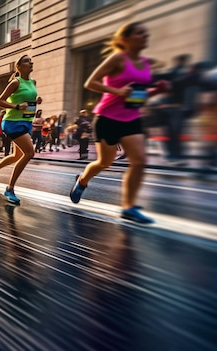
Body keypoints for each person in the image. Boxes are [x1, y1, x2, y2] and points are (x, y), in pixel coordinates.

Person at [70, 22, 156, 224]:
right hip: (108, 117)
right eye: (139, 33)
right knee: (105, 162)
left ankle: (129, 207)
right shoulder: (117, 59)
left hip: (132, 117)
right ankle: (82, 180)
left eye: (146, 32)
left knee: (140, 161)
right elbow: (91, 82)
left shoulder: (146, 62)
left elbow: (139, 92)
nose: (145, 35)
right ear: (125, 39)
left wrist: (156, 91)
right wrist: (117, 91)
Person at [0, 54, 43, 204]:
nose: (31, 63)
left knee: (18, 156)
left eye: (31, 61)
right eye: (27, 61)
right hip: (12, 122)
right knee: (29, 152)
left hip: (26, 122)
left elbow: (26, 100)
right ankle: (9, 189)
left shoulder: (33, 82)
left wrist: (35, 101)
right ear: (19, 66)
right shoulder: (15, 82)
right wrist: (16, 106)